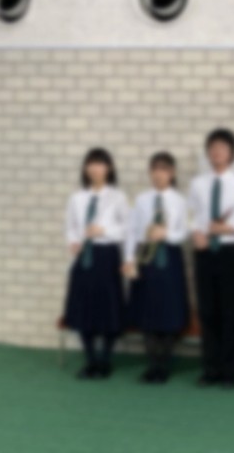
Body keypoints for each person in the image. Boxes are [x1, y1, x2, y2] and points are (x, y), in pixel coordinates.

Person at [188, 128, 234, 389]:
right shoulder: (197, 183)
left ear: (232, 153)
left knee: (229, 311)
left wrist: (229, 228)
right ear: (208, 152)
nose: (217, 152)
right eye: (213, 147)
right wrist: (196, 233)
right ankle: (210, 368)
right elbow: (190, 214)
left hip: (229, 251)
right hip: (204, 251)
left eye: (223, 148)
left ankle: (229, 369)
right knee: (207, 311)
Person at [124, 152, 190, 385]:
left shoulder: (181, 200)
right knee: (148, 310)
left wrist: (166, 233)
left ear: (172, 173)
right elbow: (132, 230)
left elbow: (185, 231)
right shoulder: (141, 199)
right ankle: (152, 364)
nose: (159, 174)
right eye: (155, 169)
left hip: (170, 256)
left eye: (164, 169)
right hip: (146, 257)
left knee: (169, 309)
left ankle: (164, 364)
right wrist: (129, 258)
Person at [63, 147, 128, 380]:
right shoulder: (77, 198)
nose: (95, 168)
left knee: (108, 308)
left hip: (107, 255)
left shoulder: (118, 197)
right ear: (85, 168)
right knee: (84, 308)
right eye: (91, 164)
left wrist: (103, 230)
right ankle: (90, 360)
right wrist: (73, 241)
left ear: (108, 168)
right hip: (84, 256)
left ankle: (105, 361)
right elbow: (70, 226)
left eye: (100, 164)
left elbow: (127, 228)